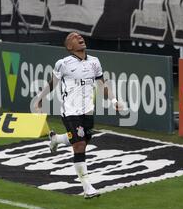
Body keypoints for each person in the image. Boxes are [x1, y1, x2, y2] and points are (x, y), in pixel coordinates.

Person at [34, 32, 122, 199]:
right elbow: (53, 82)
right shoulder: (63, 64)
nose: (79, 37)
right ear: (69, 46)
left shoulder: (94, 62)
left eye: (80, 35)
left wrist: (114, 100)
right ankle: (87, 187)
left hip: (87, 111)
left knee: (81, 139)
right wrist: (39, 99)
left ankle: (57, 139)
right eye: (74, 37)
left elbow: (102, 83)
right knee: (79, 144)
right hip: (70, 111)